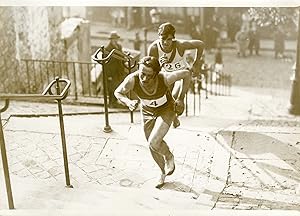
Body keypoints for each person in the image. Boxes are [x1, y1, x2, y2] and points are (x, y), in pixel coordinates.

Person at [114, 56, 191, 188]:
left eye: (149, 76)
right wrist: (128, 102)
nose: (144, 79)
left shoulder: (165, 78)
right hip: (147, 111)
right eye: (142, 74)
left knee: (154, 141)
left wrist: (181, 98)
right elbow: (118, 92)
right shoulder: (132, 79)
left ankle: (168, 156)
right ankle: (162, 173)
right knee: (152, 145)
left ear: (156, 73)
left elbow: (187, 74)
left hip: (166, 109)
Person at [147, 22, 204, 128]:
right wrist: (159, 64)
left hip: (182, 76)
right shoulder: (154, 48)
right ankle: (174, 117)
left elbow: (200, 44)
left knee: (175, 97)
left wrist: (196, 63)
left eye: (168, 39)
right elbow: (149, 70)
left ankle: (181, 101)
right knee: (166, 99)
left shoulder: (180, 45)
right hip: (167, 75)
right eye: (162, 39)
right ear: (159, 37)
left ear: (173, 38)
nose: (165, 42)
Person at [105, 31, 126, 108]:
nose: (115, 40)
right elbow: (106, 64)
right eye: (114, 39)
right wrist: (108, 75)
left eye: (116, 39)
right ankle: (111, 103)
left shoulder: (119, 47)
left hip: (119, 71)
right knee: (111, 88)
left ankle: (115, 102)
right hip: (111, 71)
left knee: (118, 86)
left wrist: (124, 64)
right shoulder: (107, 49)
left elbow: (122, 57)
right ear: (110, 39)